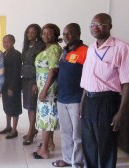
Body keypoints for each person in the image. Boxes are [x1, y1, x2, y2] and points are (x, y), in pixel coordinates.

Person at [80, 13, 129, 168]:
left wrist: (121, 112)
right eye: (93, 24)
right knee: (89, 142)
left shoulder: (121, 48)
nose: (95, 27)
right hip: (88, 100)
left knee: (106, 143)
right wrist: (82, 103)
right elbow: (88, 80)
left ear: (110, 26)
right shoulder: (91, 49)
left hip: (107, 101)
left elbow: (127, 82)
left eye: (101, 24)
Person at [52, 23, 87, 167]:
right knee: (65, 132)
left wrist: (84, 101)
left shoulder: (85, 51)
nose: (66, 36)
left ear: (78, 33)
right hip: (62, 98)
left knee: (77, 135)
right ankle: (67, 159)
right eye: (64, 33)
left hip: (76, 99)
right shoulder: (64, 51)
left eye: (69, 33)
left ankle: (77, 162)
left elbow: (88, 77)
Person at [32, 23, 62, 159]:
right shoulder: (48, 48)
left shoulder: (54, 49)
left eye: (49, 33)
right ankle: (49, 143)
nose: (46, 35)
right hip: (43, 86)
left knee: (46, 118)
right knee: (45, 116)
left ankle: (44, 150)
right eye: (44, 33)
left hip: (49, 89)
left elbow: (53, 70)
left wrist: (44, 90)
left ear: (55, 34)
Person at [21, 24, 46, 145]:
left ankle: (31, 131)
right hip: (25, 78)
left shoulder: (40, 46)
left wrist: (36, 82)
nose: (30, 34)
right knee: (28, 105)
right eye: (28, 32)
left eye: (33, 32)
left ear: (37, 33)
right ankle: (32, 128)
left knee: (32, 106)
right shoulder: (27, 45)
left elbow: (39, 64)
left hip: (33, 78)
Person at [0, 34, 22, 139]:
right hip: (5, 85)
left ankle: (14, 129)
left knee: (14, 107)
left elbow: (17, 72)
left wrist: (11, 87)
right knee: (7, 106)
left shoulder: (16, 54)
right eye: (4, 41)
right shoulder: (4, 54)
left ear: (13, 42)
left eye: (8, 41)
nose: (6, 43)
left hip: (13, 86)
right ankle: (8, 126)